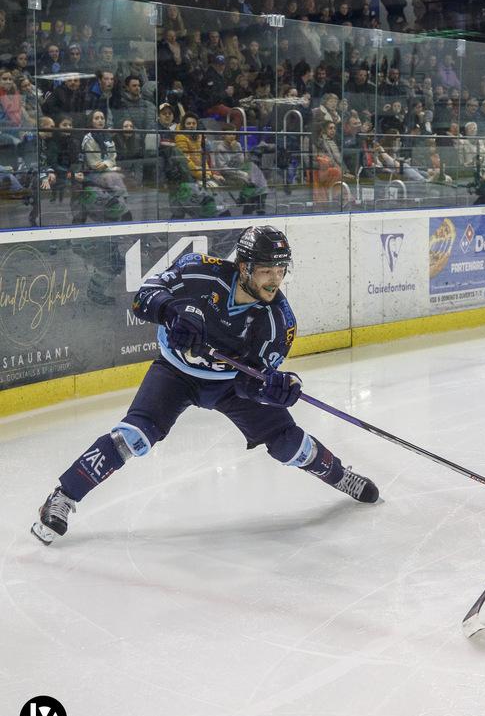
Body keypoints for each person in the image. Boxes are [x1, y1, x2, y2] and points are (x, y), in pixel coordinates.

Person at [31, 226, 379, 545]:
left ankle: (339, 475)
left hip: (227, 385)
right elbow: (144, 297)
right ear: (244, 267)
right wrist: (171, 312)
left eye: (280, 270)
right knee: (133, 437)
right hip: (175, 372)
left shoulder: (279, 322)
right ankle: (63, 496)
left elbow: (248, 382)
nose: (275, 280)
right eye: (266, 271)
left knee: (289, 444)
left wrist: (271, 389)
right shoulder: (199, 270)